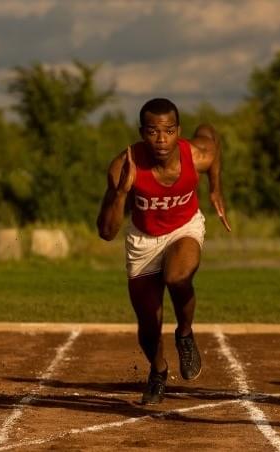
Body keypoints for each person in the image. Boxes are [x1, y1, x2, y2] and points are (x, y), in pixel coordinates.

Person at [97, 98, 231, 405]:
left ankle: (184, 333)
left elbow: (210, 134)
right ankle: (158, 370)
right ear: (142, 132)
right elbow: (106, 232)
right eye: (154, 132)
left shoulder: (197, 155)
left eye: (169, 131)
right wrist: (121, 193)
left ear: (178, 131)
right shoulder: (123, 166)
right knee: (148, 323)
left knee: (177, 277)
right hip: (143, 240)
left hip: (184, 228)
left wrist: (215, 188)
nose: (161, 139)